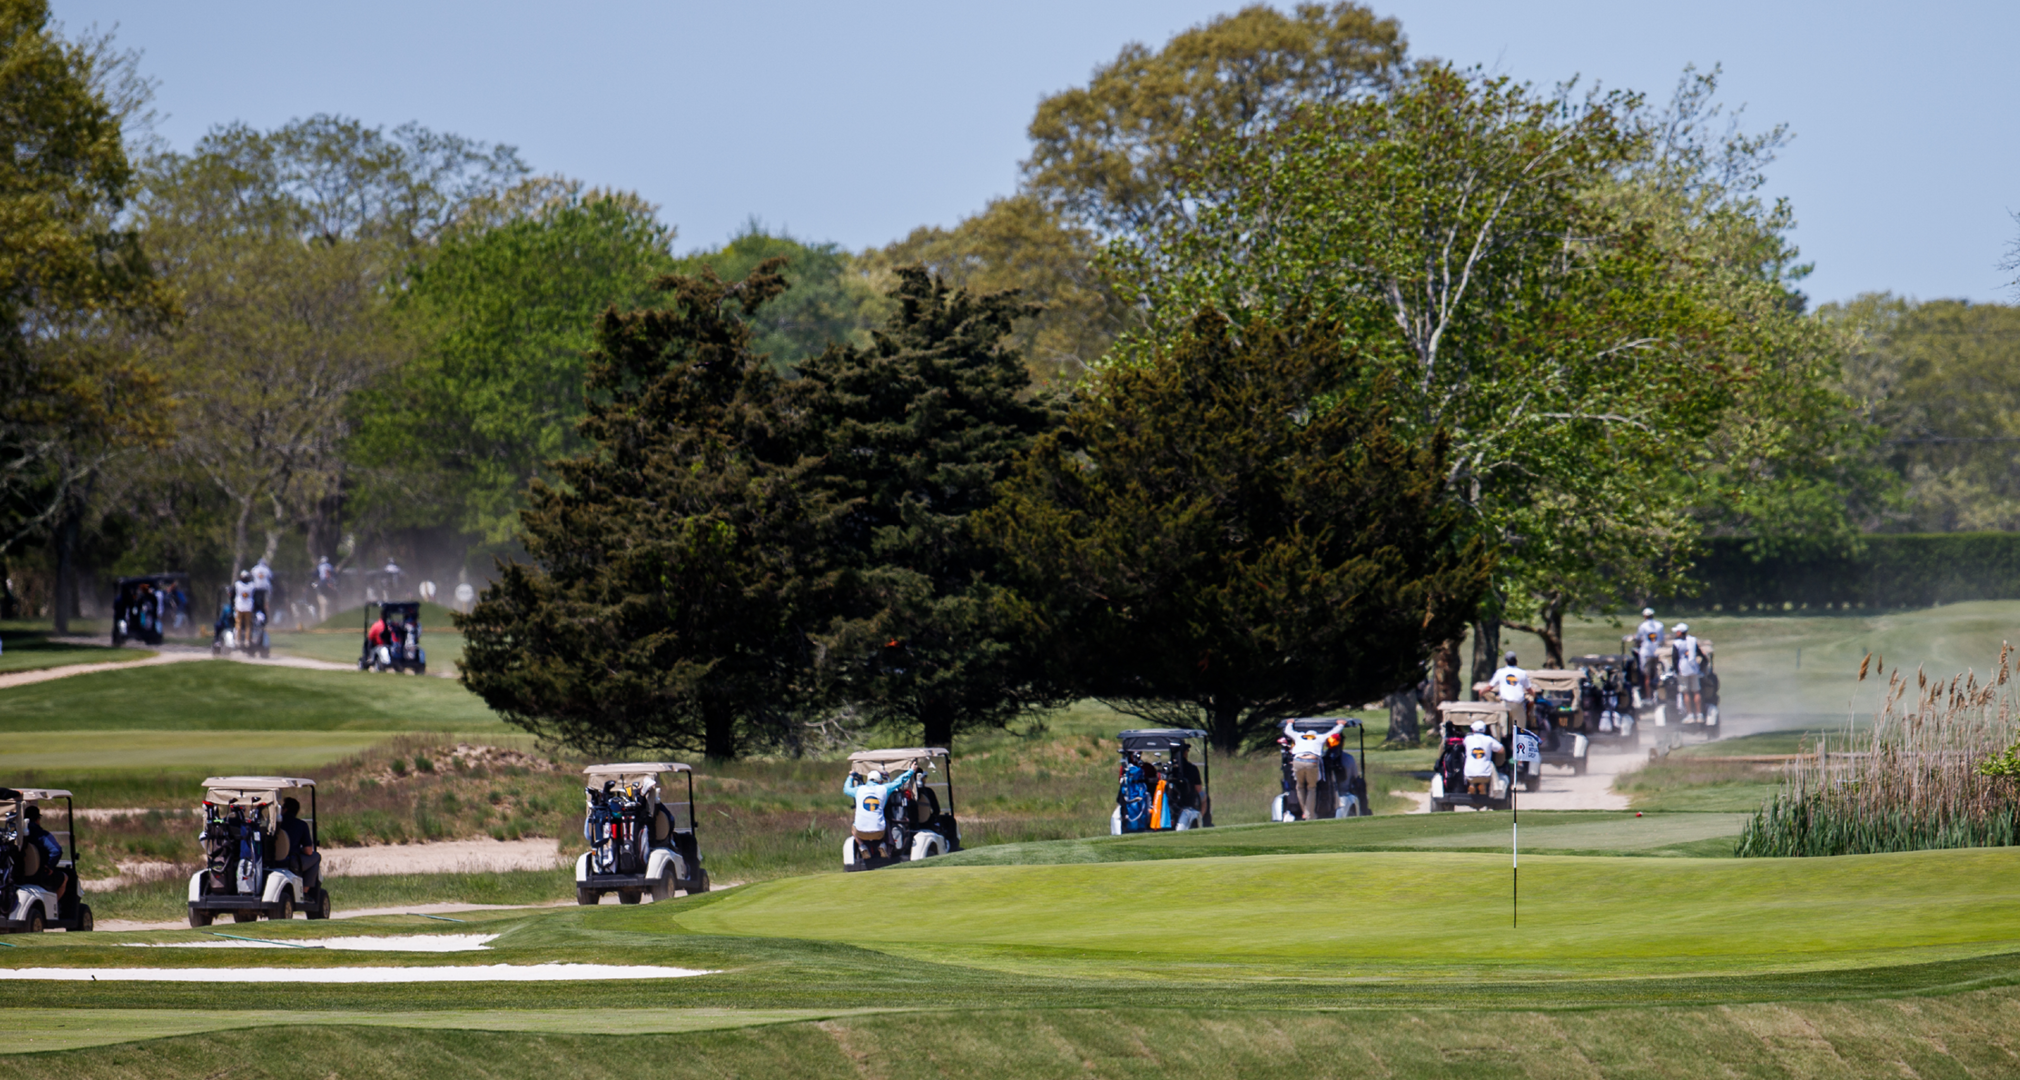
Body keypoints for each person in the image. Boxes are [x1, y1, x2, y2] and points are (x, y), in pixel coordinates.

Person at [844, 765, 916, 860]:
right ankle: (882, 843)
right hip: (879, 832)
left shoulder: (859, 790)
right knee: (885, 821)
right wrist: (911, 770)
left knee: (853, 828)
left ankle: (861, 845)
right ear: (879, 781)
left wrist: (850, 777)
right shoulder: (884, 788)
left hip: (861, 832)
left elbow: (846, 789)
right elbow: (899, 781)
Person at [1282, 718, 1344, 820]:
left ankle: (1305, 813)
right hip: (1312, 761)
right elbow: (1333, 732)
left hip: (1297, 761)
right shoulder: (1319, 737)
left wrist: (1289, 723)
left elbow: (1288, 731)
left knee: (1300, 787)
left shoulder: (1299, 736)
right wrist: (1340, 725)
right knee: (1311, 788)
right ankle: (1309, 815)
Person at [21, 803, 71, 905]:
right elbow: (56, 850)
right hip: (39, 876)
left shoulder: (17, 834)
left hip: (19, 876)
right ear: (37, 819)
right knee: (65, 877)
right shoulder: (41, 834)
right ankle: (54, 906)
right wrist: (50, 866)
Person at [275, 796, 320, 890]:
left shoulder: (275, 825)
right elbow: (309, 851)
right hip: (292, 861)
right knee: (316, 856)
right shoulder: (301, 825)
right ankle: (305, 890)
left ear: (285, 810)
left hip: (272, 860)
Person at [1462, 719, 1506, 796]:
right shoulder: (1489, 739)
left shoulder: (1467, 739)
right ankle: (1485, 786)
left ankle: (1472, 785)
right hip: (1485, 775)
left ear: (1473, 730)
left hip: (1469, 774)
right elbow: (1501, 750)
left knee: (1469, 762)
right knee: (1489, 764)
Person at [1488, 650, 1531, 727]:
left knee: (1501, 723)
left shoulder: (1500, 672)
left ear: (1506, 662)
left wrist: (1481, 692)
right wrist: (1534, 695)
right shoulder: (1522, 673)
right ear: (1516, 661)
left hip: (1505, 702)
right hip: (1518, 702)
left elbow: (1490, 686)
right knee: (1519, 726)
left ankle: (1503, 734)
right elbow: (1529, 689)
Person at [1672, 622, 1704, 721]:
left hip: (1683, 669)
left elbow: (1675, 658)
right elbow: (1700, 654)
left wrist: (1676, 671)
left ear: (1680, 633)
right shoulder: (1693, 641)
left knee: (1686, 692)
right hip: (1694, 668)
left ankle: (1690, 714)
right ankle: (1699, 714)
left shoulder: (1677, 643)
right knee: (1696, 691)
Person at [1634, 607, 1665, 702]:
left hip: (1646, 652)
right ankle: (1658, 695)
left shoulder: (1642, 626)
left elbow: (1638, 638)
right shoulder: (1660, 625)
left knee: (1646, 676)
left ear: (1645, 616)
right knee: (1657, 674)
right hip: (1657, 652)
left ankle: (1648, 696)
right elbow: (1662, 639)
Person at [232, 571, 256, 647]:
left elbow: (233, 592)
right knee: (248, 625)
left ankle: (237, 639)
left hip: (239, 607)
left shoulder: (238, 584)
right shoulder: (252, 585)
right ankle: (247, 640)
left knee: (238, 624)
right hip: (248, 607)